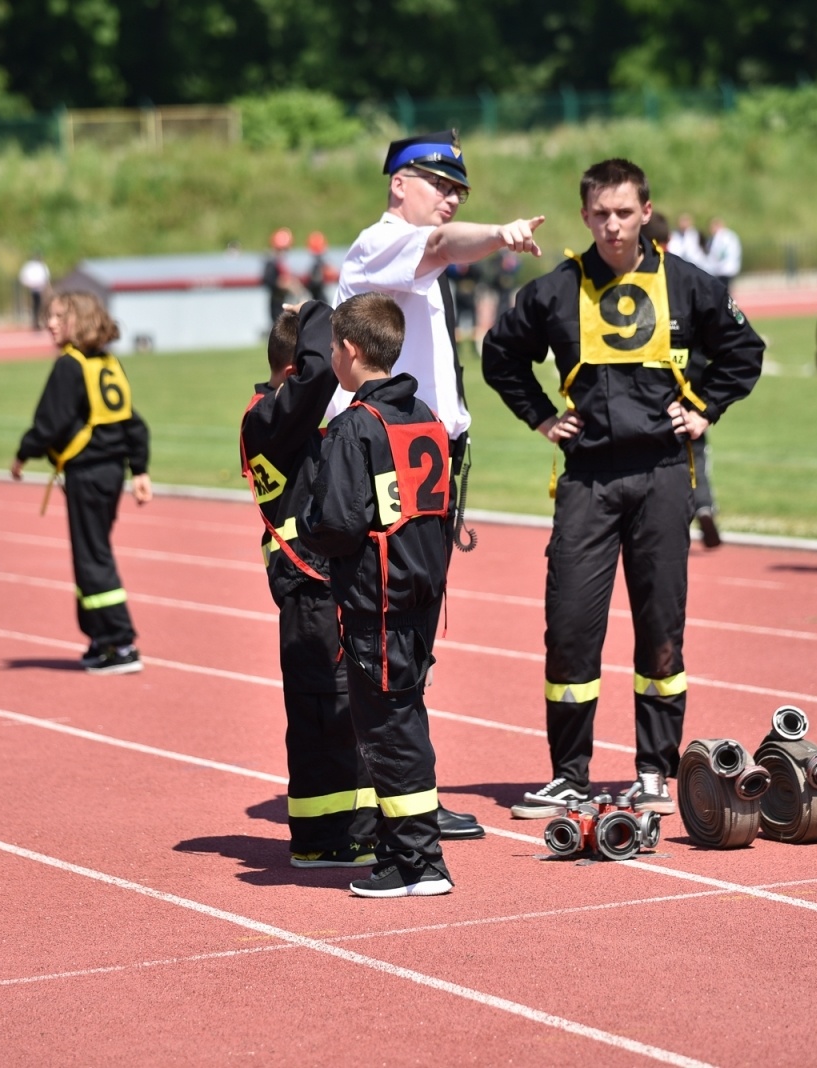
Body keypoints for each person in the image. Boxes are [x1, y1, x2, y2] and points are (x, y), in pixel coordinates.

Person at [482, 158, 765, 818]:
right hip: (587, 479)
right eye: (600, 214)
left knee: (661, 633)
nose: (612, 225)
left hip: (665, 476)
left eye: (623, 212)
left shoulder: (691, 283)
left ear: (645, 210)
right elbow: (500, 354)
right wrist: (543, 416)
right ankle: (570, 775)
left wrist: (702, 406)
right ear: (585, 217)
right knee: (571, 629)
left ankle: (653, 773)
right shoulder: (554, 290)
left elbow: (742, 350)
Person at [328, 129, 545, 841]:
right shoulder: (381, 243)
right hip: (383, 460)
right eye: (437, 184)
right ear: (398, 184)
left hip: (428, 463)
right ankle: (383, 797)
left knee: (414, 640)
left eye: (459, 191)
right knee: (383, 639)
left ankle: (408, 791)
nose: (450, 198)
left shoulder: (421, 256)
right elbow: (448, 247)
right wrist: (503, 231)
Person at [299, 292, 454, 897]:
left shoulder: (354, 428)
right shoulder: (425, 417)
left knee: (389, 729)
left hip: (377, 599)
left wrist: (309, 529)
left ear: (349, 350)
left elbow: (337, 521)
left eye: (334, 347)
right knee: (405, 716)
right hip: (421, 593)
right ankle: (404, 847)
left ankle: (418, 861)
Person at [241, 305, 379, 868]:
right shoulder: (272, 414)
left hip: (329, 581)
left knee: (350, 707)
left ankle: (361, 829)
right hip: (306, 584)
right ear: (297, 365)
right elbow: (321, 374)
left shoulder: (288, 414)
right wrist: (322, 312)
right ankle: (320, 838)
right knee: (324, 711)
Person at [11, 291, 152, 674]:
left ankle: (120, 642)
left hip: (88, 473)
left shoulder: (69, 366)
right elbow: (133, 423)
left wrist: (23, 454)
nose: (50, 323)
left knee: (93, 557)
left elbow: (48, 423)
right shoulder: (108, 363)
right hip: (110, 472)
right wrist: (139, 469)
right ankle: (99, 639)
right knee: (93, 552)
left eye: (59, 316)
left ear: (81, 321)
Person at [645, 213, 722, 548]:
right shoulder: (687, 280)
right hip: (689, 385)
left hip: (648, 392)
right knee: (696, 453)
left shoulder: (631, 285)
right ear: (669, 242)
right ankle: (704, 505)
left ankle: (668, 525)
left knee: (655, 464)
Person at [705, 216, 741, 290]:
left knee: (723, 290)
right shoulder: (714, 238)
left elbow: (721, 253)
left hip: (724, 269)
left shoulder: (725, 237)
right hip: (720, 269)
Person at [18, 252, 50, 329]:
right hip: (33, 289)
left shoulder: (41, 266)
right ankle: (35, 321)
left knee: (40, 305)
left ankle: (38, 321)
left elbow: (45, 277)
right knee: (35, 305)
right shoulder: (32, 266)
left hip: (40, 288)